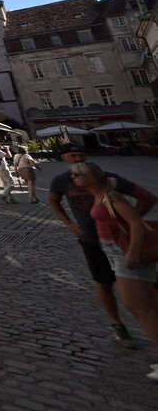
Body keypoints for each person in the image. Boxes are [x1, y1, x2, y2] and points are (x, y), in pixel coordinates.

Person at [49, 144, 157, 350]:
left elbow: (148, 199)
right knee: (103, 282)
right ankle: (118, 324)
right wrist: (69, 223)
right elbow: (53, 200)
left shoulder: (110, 182)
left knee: (141, 297)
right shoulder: (62, 181)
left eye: (81, 154)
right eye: (73, 155)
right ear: (64, 158)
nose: (78, 158)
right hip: (93, 241)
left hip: (121, 245)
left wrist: (127, 222)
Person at [68, 161, 158, 380]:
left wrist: (133, 254)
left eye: (77, 175)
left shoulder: (112, 197)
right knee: (145, 306)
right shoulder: (102, 195)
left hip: (123, 253)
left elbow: (135, 223)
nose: (73, 179)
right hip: (114, 251)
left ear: (91, 177)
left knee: (139, 307)